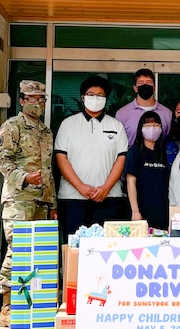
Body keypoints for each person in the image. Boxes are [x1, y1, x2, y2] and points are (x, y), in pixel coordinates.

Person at [0, 80, 58, 328]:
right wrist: (24, 178)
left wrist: (52, 204)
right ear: (22, 100)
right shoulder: (12, 126)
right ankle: (8, 308)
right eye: (32, 98)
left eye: (41, 98)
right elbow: (3, 161)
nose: (37, 103)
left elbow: (48, 171)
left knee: (37, 255)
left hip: (42, 202)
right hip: (18, 200)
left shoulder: (46, 131)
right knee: (18, 251)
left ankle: (31, 306)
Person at [54, 75, 128, 241]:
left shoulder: (116, 126)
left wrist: (105, 188)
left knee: (106, 250)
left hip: (109, 198)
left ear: (106, 99)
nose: (95, 98)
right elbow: (61, 158)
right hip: (73, 198)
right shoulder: (68, 124)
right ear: (83, 98)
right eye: (91, 94)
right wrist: (80, 186)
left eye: (100, 95)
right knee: (73, 249)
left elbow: (121, 159)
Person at [124, 111, 169, 230]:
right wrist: (135, 211)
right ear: (140, 129)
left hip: (162, 211)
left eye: (156, 125)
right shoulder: (135, 151)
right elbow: (130, 182)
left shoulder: (164, 153)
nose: (152, 129)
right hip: (141, 211)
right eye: (147, 126)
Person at [115, 68, 173, 147]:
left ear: (154, 88)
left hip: (160, 158)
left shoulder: (167, 114)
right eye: (141, 82)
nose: (145, 85)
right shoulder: (122, 114)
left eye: (149, 82)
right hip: (131, 158)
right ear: (135, 88)